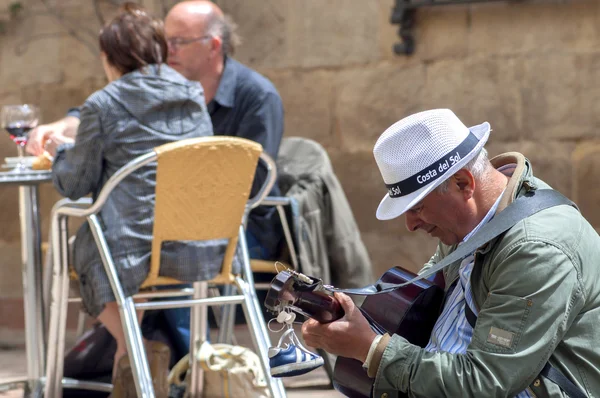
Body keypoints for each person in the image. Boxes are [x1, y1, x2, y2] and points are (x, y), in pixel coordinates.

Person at [301, 109, 600, 397]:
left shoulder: (535, 249)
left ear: (463, 183)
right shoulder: (468, 223)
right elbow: (426, 310)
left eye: (417, 207)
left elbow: (483, 383)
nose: (410, 224)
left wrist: (370, 348)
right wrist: (346, 319)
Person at [50, 3, 227, 395]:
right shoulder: (192, 94)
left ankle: (133, 347)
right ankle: (130, 364)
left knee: (78, 244)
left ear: (109, 58)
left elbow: (74, 184)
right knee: (126, 241)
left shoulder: (103, 103)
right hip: (197, 249)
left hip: (130, 254)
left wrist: (59, 151)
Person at [28, 0, 285, 261]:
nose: (167, 50)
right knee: (122, 246)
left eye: (179, 41)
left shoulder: (257, 96)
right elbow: (101, 113)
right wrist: (58, 127)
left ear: (214, 45)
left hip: (240, 230)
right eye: (164, 41)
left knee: (111, 250)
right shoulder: (167, 89)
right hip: (169, 224)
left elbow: (253, 183)